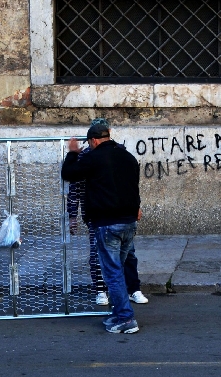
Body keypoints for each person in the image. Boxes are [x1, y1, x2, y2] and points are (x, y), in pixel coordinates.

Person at [61, 122, 141, 334]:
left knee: (112, 274)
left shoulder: (93, 158)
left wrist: (73, 153)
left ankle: (126, 318)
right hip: (129, 223)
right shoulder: (128, 157)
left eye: (89, 143)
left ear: (93, 141)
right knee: (118, 270)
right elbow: (134, 187)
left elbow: (69, 173)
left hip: (107, 224)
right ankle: (118, 312)